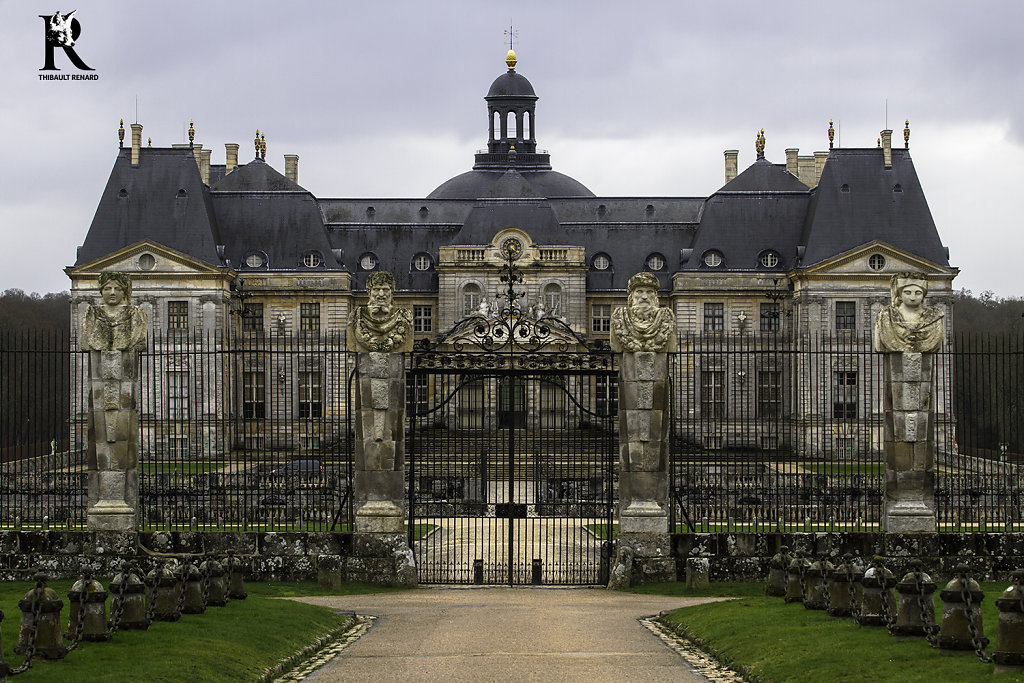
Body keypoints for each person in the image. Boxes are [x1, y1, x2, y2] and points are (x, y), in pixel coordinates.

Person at [873, 272, 944, 353]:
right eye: (907, 293)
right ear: (899, 295)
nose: (913, 297)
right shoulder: (886, 315)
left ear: (923, 295)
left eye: (918, 293)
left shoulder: (934, 317)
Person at [610, 272, 677, 352]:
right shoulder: (619, 316)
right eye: (639, 291)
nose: (644, 297)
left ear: (655, 295)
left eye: (649, 292)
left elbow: (672, 348)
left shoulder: (667, 316)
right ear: (632, 295)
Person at [81, 272, 148, 351]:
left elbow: (139, 342)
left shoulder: (136, 314)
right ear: (101, 291)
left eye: (117, 289)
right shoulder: (91, 314)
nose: (112, 293)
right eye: (107, 288)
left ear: (124, 293)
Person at [347, 271, 413, 352]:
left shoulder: (404, 316)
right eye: (376, 289)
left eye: (385, 289)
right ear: (369, 292)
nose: (381, 294)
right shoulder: (356, 316)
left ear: (391, 292)